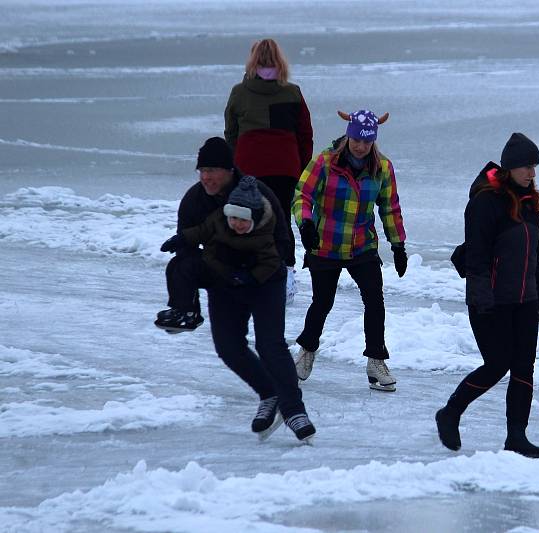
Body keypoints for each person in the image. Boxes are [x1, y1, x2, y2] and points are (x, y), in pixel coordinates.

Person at [156, 137, 315, 442]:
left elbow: (282, 242)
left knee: (270, 346)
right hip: (224, 278)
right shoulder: (195, 200)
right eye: (201, 170)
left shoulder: (259, 194)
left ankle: (294, 410)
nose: (206, 177)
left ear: (229, 169)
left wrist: (257, 274)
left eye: (213, 169)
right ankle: (268, 393)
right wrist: (195, 295)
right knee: (228, 347)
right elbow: (188, 247)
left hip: (264, 278)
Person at [435, 132, 539, 458]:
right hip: (492, 301)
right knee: (498, 364)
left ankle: (517, 436)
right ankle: (451, 412)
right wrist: (482, 298)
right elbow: (477, 258)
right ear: (510, 167)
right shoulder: (486, 202)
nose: (532, 173)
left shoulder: (530, 203)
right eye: (527, 166)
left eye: (535, 166)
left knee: (524, 368)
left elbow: (536, 255)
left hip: (525, 300)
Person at [292, 110, 408, 392]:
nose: (360, 146)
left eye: (367, 142)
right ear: (348, 136)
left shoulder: (381, 167)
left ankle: (376, 360)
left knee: (374, 300)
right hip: (326, 242)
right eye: (356, 139)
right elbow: (302, 194)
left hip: (361, 244)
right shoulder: (325, 162)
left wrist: (398, 244)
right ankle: (307, 351)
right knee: (323, 302)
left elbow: (389, 206)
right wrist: (305, 222)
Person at [224, 38, 314, 305]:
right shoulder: (293, 92)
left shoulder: (239, 92)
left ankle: (249, 275)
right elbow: (305, 135)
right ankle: (285, 277)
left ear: (251, 61)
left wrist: (234, 167)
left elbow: (231, 134)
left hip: (248, 168)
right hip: (285, 168)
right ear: (281, 61)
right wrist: (300, 167)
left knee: (246, 222)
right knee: (281, 222)